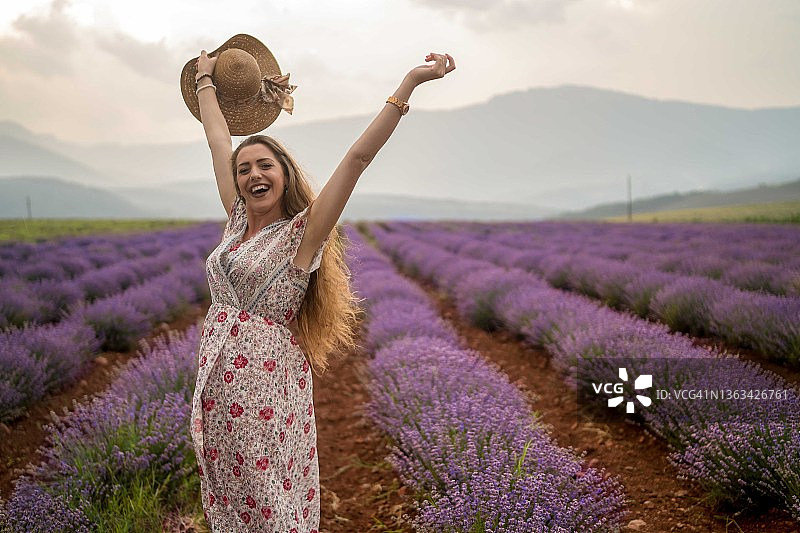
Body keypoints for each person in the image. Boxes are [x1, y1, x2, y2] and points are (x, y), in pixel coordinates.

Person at [189, 40, 456, 532]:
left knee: (268, 500)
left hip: (268, 390)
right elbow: (218, 142)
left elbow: (357, 158)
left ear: (285, 174)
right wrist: (204, 80)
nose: (252, 174)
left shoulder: (302, 236)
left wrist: (410, 84)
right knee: (227, 499)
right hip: (216, 385)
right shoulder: (235, 221)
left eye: (265, 165)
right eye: (245, 169)